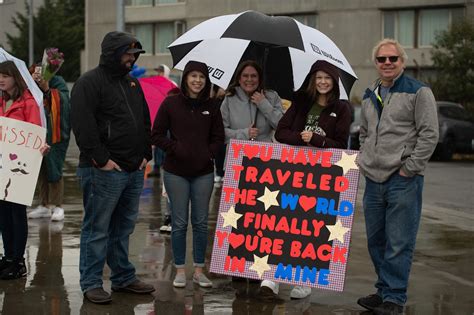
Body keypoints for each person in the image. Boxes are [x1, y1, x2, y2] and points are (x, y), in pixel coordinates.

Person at [70, 31, 155, 304]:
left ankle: (122, 277)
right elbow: (83, 128)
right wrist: (101, 160)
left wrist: (145, 154)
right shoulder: (88, 83)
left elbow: (144, 121)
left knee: (124, 228)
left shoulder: (132, 84)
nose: (132, 59)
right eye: (128, 54)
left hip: (132, 170)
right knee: (97, 229)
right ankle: (91, 282)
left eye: (134, 55)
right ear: (113, 53)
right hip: (102, 171)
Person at [357, 39, 439, 314]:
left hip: (402, 179)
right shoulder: (370, 93)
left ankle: (395, 297)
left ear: (402, 61)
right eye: (382, 59)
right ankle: (384, 291)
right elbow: (365, 132)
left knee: (399, 242)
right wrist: (364, 156)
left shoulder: (419, 91)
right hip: (373, 179)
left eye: (393, 58)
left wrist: (410, 167)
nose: (387, 63)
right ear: (376, 63)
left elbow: (430, 134)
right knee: (375, 241)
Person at [269, 60, 351, 299]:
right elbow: (280, 132)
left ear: (334, 82)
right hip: (293, 171)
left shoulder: (342, 108)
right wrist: (301, 138)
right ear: (313, 80)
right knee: (285, 224)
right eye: (319, 78)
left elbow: (341, 144)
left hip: (323, 176)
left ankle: (304, 280)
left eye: (327, 78)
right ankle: (274, 275)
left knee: (311, 228)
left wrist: (316, 140)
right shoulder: (301, 102)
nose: (323, 82)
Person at [152, 60, 224, 289]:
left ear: (206, 80)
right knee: (180, 223)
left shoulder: (212, 106)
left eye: (202, 77)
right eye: (193, 76)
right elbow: (156, 134)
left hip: (203, 172)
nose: (197, 80)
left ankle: (199, 271)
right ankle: (181, 270)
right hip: (176, 173)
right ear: (185, 79)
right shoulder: (171, 103)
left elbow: (218, 138)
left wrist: (207, 153)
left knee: (201, 223)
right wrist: (175, 147)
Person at [0, 60, 49, 280]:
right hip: (2, 164)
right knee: (2, 212)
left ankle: (18, 261)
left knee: (16, 213)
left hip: (20, 167)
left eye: (5, 75)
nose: (1, 79)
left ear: (15, 78)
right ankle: (8, 256)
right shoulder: (1, 102)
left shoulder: (28, 102)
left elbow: (35, 133)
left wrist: (42, 145)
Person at [28, 64, 71, 221]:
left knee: (55, 169)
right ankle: (44, 205)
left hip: (56, 135)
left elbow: (64, 101)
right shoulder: (30, 85)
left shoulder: (58, 82)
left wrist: (47, 89)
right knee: (41, 169)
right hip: (38, 133)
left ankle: (58, 206)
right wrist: (32, 83)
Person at [220, 60, 283, 144]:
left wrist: (264, 104)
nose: (249, 79)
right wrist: (245, 134)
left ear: (259, 79)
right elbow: (219, 132)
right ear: (239, 79)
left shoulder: (272, 96)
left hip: (265, 152)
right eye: (245, 76)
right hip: (236, 152)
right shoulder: (230, 98)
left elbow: (282, 127)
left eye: (253, 76)